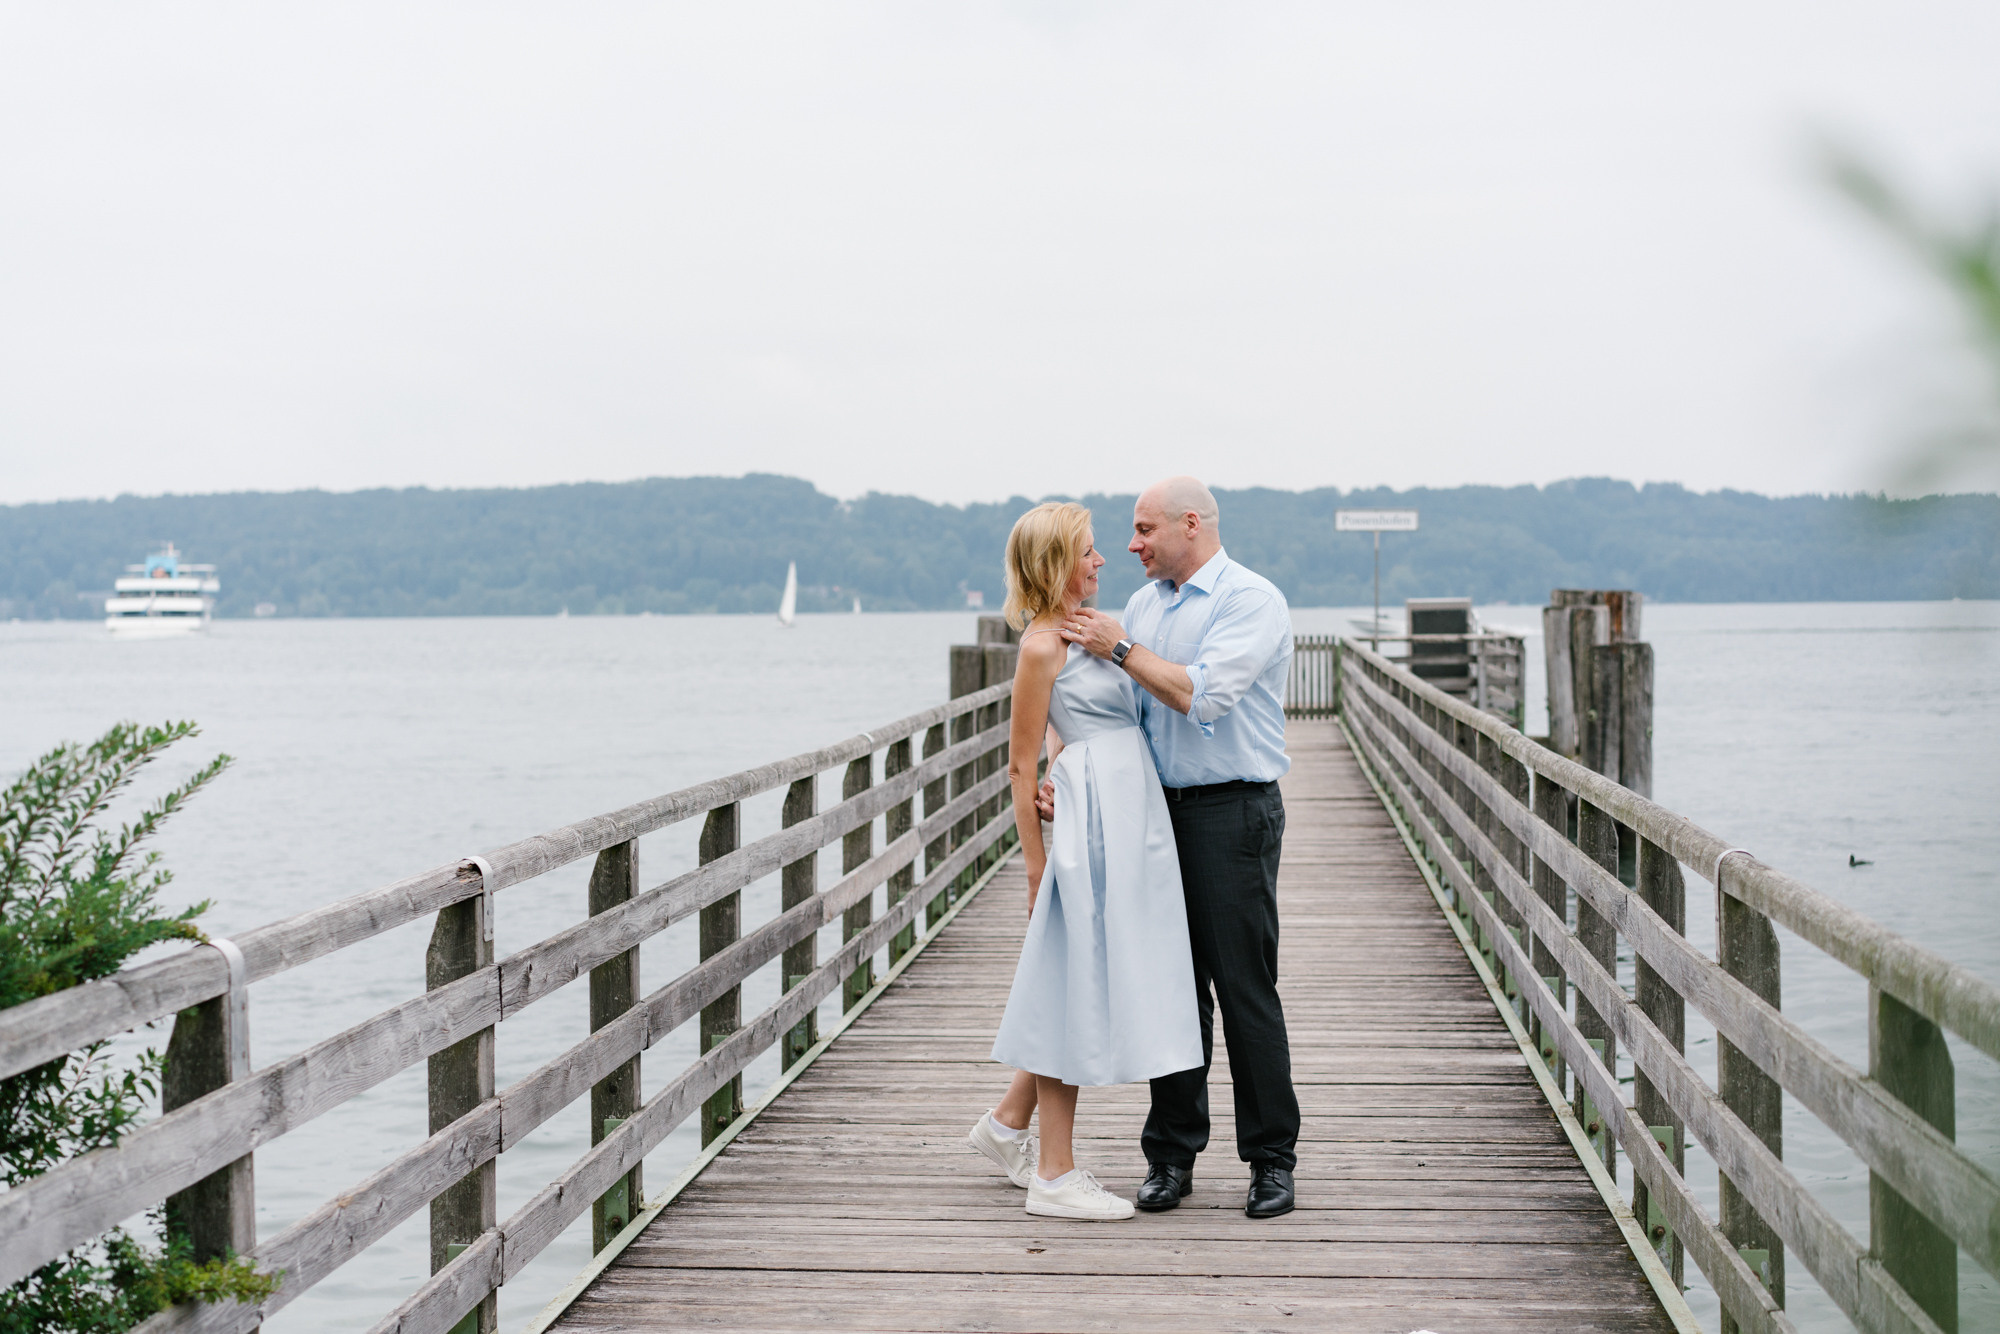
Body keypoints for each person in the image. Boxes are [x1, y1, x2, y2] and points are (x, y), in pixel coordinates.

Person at [1053, 475, 1301, 1219]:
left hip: (1233, 812)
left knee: (1244, 989)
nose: (1131, 545)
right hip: (1151, 812)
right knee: (1169, 989)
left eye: (1143, 530)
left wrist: (1121, 647)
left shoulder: (1249, 600)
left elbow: (1203, 694)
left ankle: (1270, 1161)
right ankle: (1170, 1154)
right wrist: (1060, 775)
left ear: (1189, 524)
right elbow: (1114, 710)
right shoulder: (1142, 604)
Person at [967, 501, 1204, 1221]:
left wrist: (1070, 757)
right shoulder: (1042, 646)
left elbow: (1089, 729)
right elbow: (1018, 761)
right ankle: (1054, 1174)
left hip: (1127, 809)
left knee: (1089, 972)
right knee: (1071, 979)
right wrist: (1037, 867)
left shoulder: (1096, 633)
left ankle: (1009, 1126)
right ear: (1055, 564)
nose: (1102, 561)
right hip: (1091, 823)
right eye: (1088, 552)